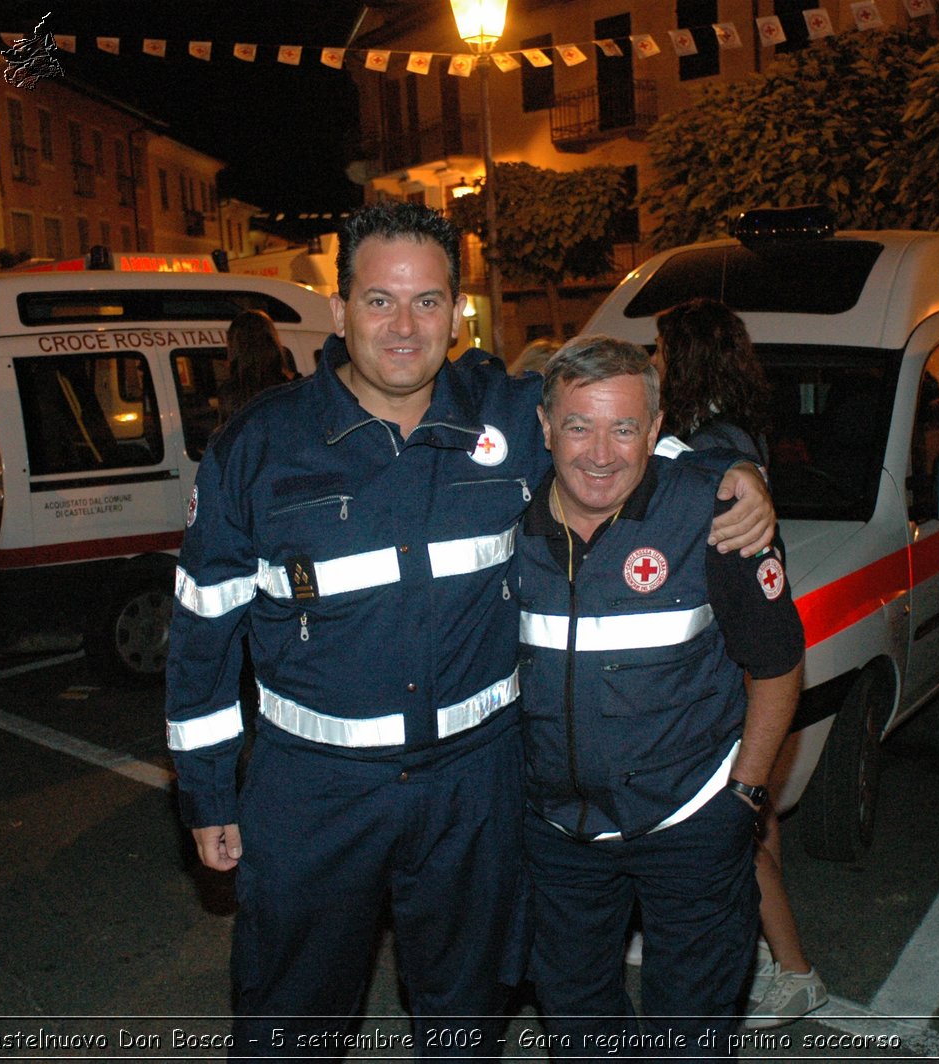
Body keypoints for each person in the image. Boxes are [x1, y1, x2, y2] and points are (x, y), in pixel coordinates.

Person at [163, 202, 775, 1057]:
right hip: (314, 792)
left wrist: (735, 470)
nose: (404, 327)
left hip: (475, 786)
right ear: (339, 309)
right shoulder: (260, 448)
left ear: (456, 311)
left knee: (466, 1017)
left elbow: (613, 440)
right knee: (289, 1018)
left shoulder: (509, 412)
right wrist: (206, 791)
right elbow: (201, 634)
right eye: (380, 301)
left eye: (427, 302)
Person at [515, 336, 805, 1058]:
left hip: (691, 819)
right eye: (579, 426)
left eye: (624, 428)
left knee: (690, 1039)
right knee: (579, 1031)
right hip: (557, 834)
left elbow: (776, 662)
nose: (601, 453)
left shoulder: (715, 513)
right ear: (546, 428)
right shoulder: (504, 517)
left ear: (656, 431)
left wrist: (744, 798)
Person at [657, 297, 827, 1029]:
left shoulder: (714, 442)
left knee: (741, 832)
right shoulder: (731, 428)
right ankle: (768, 955)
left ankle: (797, 972)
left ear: (685, 358)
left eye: (661, 353)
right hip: (741, 661)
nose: (653, 365)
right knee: (757, 831)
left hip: (729, 668)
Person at [219, 309, 293, 421]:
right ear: (272, 341)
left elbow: (226, 435)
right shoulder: (292, 385)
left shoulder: (230, 392)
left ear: (235, 346)